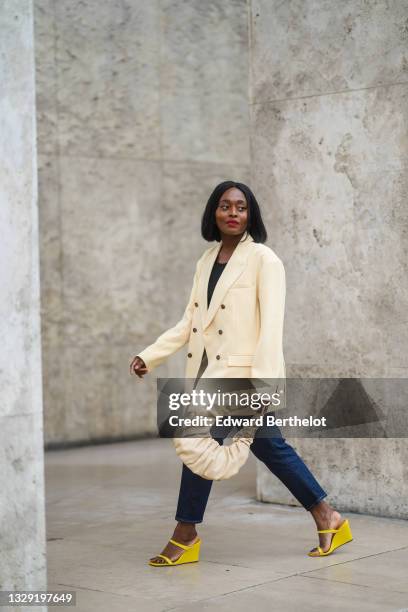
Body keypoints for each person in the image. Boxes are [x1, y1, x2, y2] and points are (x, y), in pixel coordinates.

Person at [130, 180, 353, 566]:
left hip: (243, 378)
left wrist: (266, 385)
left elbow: (271, 327)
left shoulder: (265, 259)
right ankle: (327, 516)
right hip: (207, 374)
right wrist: (151, 355)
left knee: (199, 444)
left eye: (241, 207)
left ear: (251, 214)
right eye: (225, 206)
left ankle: (185, 534)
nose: (233, 213)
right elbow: (190, 321)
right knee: (270, 446)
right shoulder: (206, 260)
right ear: (213, 213)